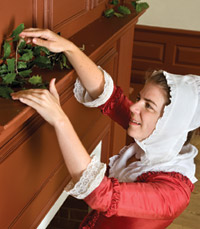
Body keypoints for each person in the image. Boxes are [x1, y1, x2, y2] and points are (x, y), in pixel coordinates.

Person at [11, 28, 200, 229]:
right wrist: (68, 48)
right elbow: (113, 99)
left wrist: (59, 119)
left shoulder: (173, 195)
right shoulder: (156, 138)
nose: (134, 107)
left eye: (148, 105)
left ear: (170, 123)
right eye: (139, 98)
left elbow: (100, 195)